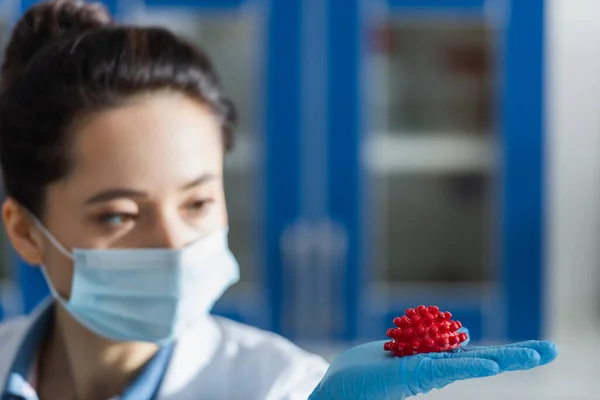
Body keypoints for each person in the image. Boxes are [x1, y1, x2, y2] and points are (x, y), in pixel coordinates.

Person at [0, 1, 557, 399]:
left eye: (197, 203)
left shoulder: (281, 387)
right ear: (25, 230)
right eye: (119, 214)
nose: (173, 244)